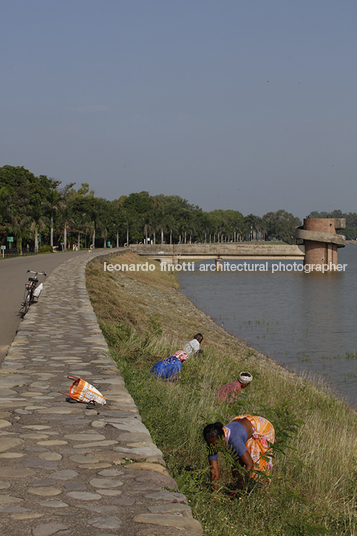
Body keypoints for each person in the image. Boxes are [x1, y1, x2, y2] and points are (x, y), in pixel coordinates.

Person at [203, 415, 275, 488]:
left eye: (215, 444)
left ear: (222, 437)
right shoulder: (212, 443)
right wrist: (214, 495)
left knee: (257, 468)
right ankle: (241, 485)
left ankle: (258, 489)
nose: (213, 447)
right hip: (240, 427)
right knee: (236, 469)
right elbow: (214, 471)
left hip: (261, 428)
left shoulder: (234, 440)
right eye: (210, 444)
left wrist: (238, 489)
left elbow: (249, 464)